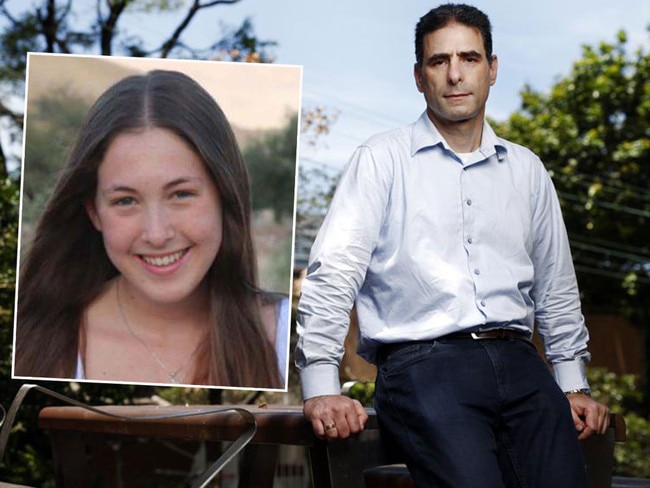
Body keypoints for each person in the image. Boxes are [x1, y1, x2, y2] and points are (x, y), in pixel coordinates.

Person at [295, 4, 610, 486]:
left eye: (470, 58)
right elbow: (334, 273)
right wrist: (320, 383)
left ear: (493, 68)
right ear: (419, 76)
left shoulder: (526, 170)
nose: (455, 74)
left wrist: (572, 383)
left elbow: (557, 287)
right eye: (439, 61)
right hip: (424, 366)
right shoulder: (381, 160)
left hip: (521, 363)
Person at [14, 69, 288, 389]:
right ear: (94, 212)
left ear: (224, 197)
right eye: (126, 201)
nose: (156, 234)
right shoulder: (32, 339)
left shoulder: (287, 337)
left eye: (181, 194)